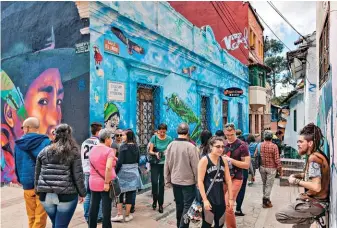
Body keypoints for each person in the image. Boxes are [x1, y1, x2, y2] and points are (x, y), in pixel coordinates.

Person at [275, 123, 330, 228]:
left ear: (310, 143)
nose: (298, 145)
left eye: (301, 142)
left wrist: (295, 181)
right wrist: (297, 175)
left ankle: (312, 218)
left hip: (316, 204)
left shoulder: (313, 158)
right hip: (315, 202)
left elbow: (316, 186)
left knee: (280, 215)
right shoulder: (318, 154)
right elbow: (311, 175)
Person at [35, 124, 86, 228]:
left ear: (56, 135)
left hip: (45, 196)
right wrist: (82, 193)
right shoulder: (74, 152)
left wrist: (37, 190)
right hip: (66, 196)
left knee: (56, 224)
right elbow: (78, 176)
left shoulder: (44, 151)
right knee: (60, 225)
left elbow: (37, 173)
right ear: (70, 135)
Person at [14, 117, 51, 228]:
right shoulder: (46, 142)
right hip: (42, 184)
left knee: (31, 216)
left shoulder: (18, 144)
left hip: (27, 184)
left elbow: (16, 164)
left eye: (23, 127)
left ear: (28, 128)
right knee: (40, 217)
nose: (22, 130)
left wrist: (20, 179)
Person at [164, 123, 199, 228]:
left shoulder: (170, 145)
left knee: (179, 205)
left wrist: (167, 180)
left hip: (175, 181)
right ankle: (183, 226)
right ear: (188, 132)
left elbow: (167, 164)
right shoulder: (191, 147)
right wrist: (198, 181)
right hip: (188, 182)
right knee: (187, 207)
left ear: (177, 132)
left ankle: (180, 224)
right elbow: (196, 167)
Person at [198, 136, 234, 228]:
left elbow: (229, 180)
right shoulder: (204, 160)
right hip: (209, 198)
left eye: (222, 147)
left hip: (220, 198)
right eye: (218, 146)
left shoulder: (224, 160)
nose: (221, 149)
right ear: (211, 147)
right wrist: (205, 200)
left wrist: (230, 198)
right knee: (207, 224)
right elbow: (200, 181)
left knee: (220, 224)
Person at [222, 123, 250, 228]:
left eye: (231, 134)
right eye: (227, 135)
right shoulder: (223, 144)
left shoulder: (242, 145)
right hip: (223, 178)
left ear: (235, 132)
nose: (229, 137)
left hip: (236, 178)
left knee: (228, 206)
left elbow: (246, 165)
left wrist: (231, 160)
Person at [111, 129, 142, 222]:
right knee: (130, 194)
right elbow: (138, 160)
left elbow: (119, 162)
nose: (121, 137)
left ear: (128, 136)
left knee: (120, 193)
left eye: (123, 135)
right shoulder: (137, 147)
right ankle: (128, 215)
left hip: (123, 172)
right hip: (134, 172)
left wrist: (115, 172)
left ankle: (119, 214)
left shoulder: (123, 147)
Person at [88, 129, 117, 228]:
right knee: (106, 209)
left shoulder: (92, 149)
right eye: (111, 138)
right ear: (107, 139)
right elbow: (108, 167)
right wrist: (106, 182)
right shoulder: (109, 150)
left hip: (93, 182)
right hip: (105, 183)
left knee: (94, 206)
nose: (112, 140)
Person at [148, 123, 173, 213]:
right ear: (158, 130)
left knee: (162, 184)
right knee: (154, 182)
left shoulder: (169, 139)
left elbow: (171, 150)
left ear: (166, 130)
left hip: (165, 164)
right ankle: (155, 199)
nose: (162, 133)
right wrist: (155, 153)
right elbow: (150, 150)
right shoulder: (154, 138)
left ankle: (161, 204)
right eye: (160, 131)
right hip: (155, 163)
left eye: (164, 131)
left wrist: (166, 153)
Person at [81, 122, 103, 224]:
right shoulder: (99, 143)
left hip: (86, 171)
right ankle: (98, 216)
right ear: (98, 131)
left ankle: (86, 215)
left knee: (88, 195)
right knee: (99, 195)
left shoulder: (85, 142)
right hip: (96, 172)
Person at [258, 131, 283, 208]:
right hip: (271, 168)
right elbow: (277, 159)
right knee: (269, 185)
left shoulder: (260, 145)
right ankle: (265, 201)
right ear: (271, 137)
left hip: (262, 167)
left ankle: (266, 199)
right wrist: (280, 170)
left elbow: (256, 155)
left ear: (264, 137)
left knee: (265, 184)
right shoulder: (274, 146)